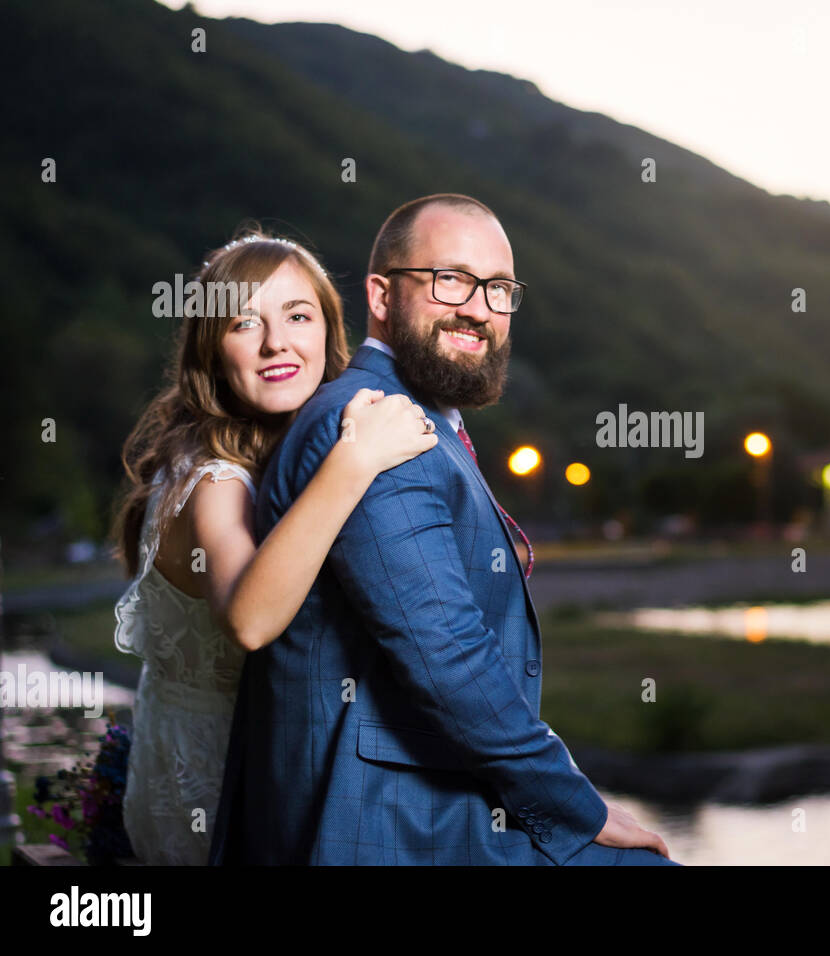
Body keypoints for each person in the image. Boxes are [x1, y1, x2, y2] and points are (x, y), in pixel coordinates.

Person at [210, 194, 679, 865]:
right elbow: (445, 651)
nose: (478, 308)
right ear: (379, 294)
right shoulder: (371, 420)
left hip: (435, 803)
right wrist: (580, 806)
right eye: (450, 280)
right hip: (388, 826)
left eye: (499, 289)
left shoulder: (417, 420)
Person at [113, 230, 438, 865]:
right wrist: (357, 458)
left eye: (297, 315)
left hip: (211, 769)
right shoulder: (214, 480)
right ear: (212, 349)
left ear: (327, 330)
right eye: (244, 323)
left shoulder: (260, 457)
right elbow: (251, 621)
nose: (276, 343)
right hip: (213, 802)